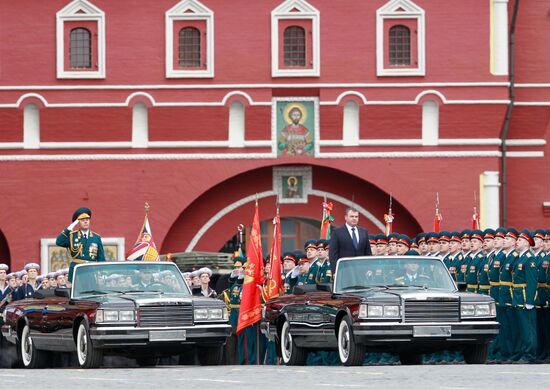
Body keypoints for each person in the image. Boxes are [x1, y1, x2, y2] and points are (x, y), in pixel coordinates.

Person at [56, 207, 105, 283]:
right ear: (78, 222)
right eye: (82, 220)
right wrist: (69, 228)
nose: (85, 222)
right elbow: (59, 242)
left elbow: (101, 257)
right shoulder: (72, 236)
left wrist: (102, 273)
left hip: (91, 271)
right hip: (76, 270)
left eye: (87, 220)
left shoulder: (96, 237)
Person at [512, 229, 538, 363]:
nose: (517, 242)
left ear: (527, 243)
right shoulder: (520, 257)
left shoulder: (530, 259)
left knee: (529, 328)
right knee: (522, 327)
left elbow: (532, 281)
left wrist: (530, 300)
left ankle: (530, 355)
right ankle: (524, 352)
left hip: (524, 297)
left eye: (520, 240)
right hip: (517, 297)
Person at [329, 207, 372, 275]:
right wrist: (335, 271)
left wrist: (369, 269)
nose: (354, 218)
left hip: (361, 271)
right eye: (352, 216)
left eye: (356, 216)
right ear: (346, 217)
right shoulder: (337, 232)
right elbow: (333, 254)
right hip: (344, 271)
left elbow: (368, 252)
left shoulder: (364, 232)